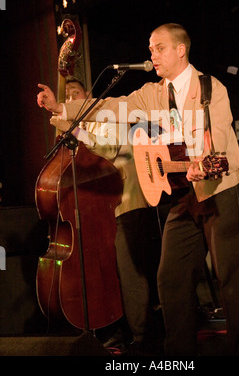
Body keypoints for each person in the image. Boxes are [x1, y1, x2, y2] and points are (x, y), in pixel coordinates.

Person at [37, 23, 239, 356]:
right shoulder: (150, 95)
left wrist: (211, 162)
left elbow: (225, 143)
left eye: (159, 47)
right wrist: (62, 109)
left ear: (180, 50)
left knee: (232, 282)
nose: (152, 54)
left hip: (220, 190)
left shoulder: (210, 88)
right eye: (150, 48)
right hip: (184, 197)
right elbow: (111, 107)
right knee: (170, 279)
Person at [47, 76, 164, 355]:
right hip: (100, 209)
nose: (72, 99)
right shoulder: (77, 125)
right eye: (68, 96)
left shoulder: (103, 117)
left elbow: (110, 149)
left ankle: (144, 339)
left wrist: (73, 131)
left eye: (76, 94)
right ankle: (118, 330)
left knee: (131, 271)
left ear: (87, 95)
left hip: (128, 200)